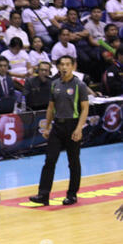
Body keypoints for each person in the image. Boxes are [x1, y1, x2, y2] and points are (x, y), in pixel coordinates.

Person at [29, 55, 89, 206]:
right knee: (49, 160)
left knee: (73, 162)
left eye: (68, 64)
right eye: (62, 64)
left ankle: (72, 194)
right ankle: (43, 195)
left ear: (73, 66)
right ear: (58, 66)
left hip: (73, 125)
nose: (64, 67)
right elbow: (50, 108)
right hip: (57, 127)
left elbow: (85, 108)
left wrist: (79, 128)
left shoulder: (79, 85)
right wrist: (48, 127)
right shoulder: (54, 84)